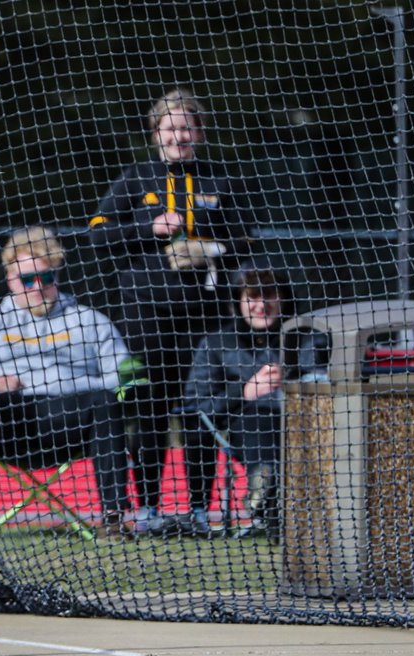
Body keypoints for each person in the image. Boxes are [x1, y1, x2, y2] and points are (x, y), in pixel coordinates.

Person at [87, 88, 256, 533]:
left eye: (186, 126)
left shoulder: (221, 179)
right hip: (145, 311)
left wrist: (209, 248)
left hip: (205, 314)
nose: (178, 135)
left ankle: (199, 510)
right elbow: (97, 234)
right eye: (170, 127)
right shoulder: (136, 176)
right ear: (155, 132)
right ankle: (148, 509)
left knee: (198, 408)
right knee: (151, 408)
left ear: (199, 132)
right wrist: (150, 227)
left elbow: (247, 241)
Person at [0, 227, 133, 541]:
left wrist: (71, 383)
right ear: (10, 278)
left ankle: (113, 519)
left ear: (57, 275)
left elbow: (121, 376)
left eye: (45, 277)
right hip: (8, 425)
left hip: (69, 424)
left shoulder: (90, 320)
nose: (37, 287)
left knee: (105, 400)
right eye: (27, 279)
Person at [180, 264, 323, 538]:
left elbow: (324, 380)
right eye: (252, 297)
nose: (261, 305)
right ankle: (265, 486)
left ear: (283, 298)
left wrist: (292, 379)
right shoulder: (216, 344)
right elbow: (197, 405)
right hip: (243, 429)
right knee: (258, 417)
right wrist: (244, 392)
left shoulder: (308, 336)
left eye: (268, 295)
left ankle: (269, 496)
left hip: (307, 424)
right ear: (238, 301)